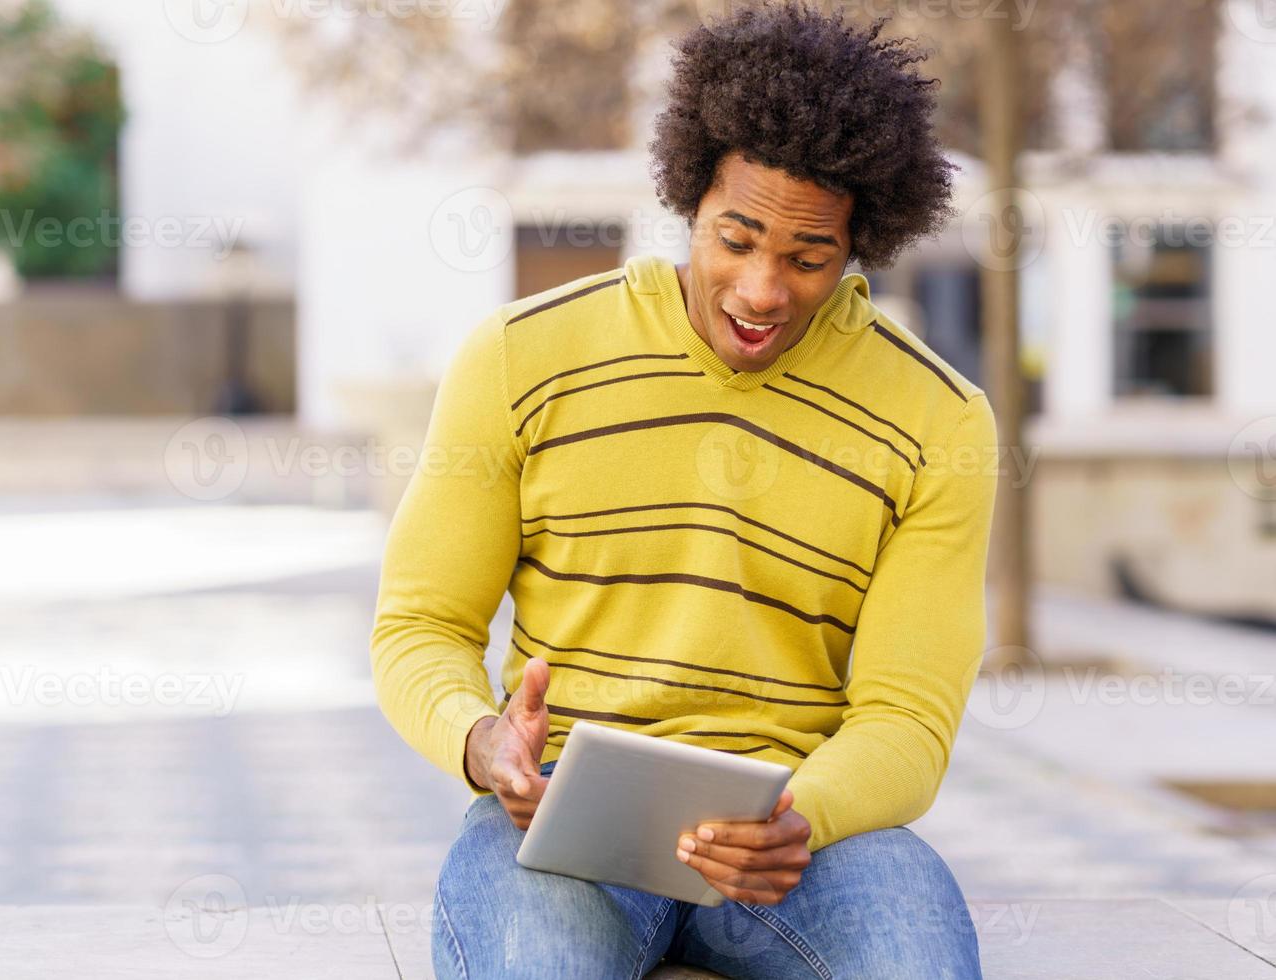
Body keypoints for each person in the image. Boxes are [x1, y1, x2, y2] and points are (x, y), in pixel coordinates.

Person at [371, 3, 996, 976]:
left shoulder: (939, 422)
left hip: (802, 840)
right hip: (566, 831)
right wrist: (484, 739)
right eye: (735, 237)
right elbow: (419, 624)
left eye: (807, 257)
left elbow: (907, 720)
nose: (759, 289)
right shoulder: (520, 358)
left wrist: (800, 814)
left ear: (861, 242)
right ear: (689, 198)